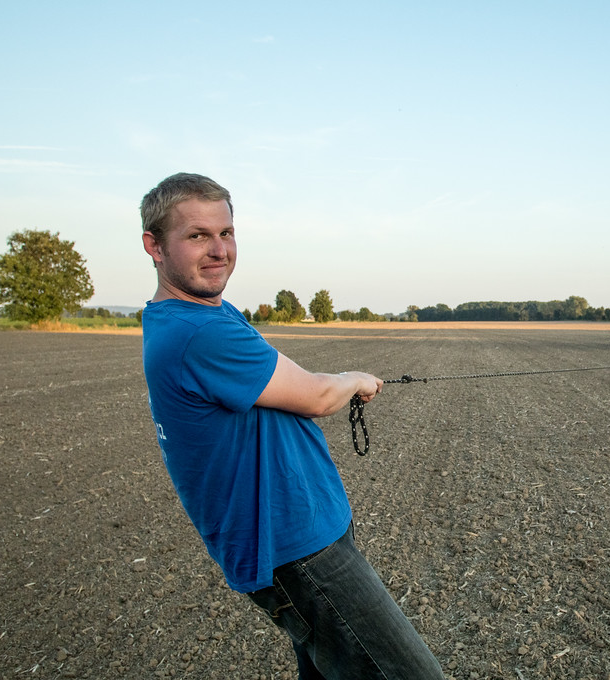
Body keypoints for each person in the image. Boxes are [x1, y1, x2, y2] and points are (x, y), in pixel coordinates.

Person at [139, 172, 444, 680]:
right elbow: (317, 396)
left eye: (227, 233)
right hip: (296, 549)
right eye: (197, 236)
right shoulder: (198, 331)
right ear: (154, 245)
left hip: (305, 529)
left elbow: (286, 387)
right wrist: (354, 379)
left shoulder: (204, 313)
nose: (219, 250)